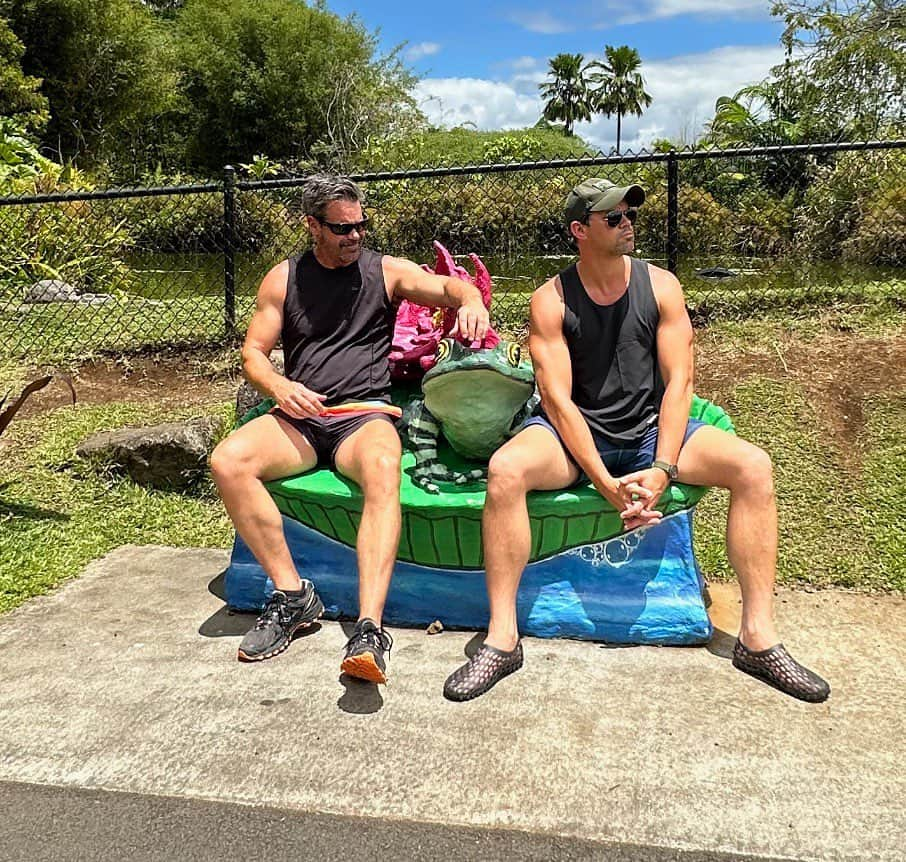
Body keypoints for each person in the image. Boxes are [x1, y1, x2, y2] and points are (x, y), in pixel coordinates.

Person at [442, 177, 830, 704]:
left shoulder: (663, 286)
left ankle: (758, 639)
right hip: (574, 436)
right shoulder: (550, 301)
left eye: (629, 214)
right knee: (506, 471)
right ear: (580, 230)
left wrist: (664, 467)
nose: (628, 224)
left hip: (651, 431)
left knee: (753, 466)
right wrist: (603, 482)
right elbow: (557, 402)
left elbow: (680, 384)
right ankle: (503, 638)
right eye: (614, 218)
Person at [210, 174, 489, 684]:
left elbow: (447, 286)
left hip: (363, 415)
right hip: (301, 416)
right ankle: (293, 595)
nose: (355, 236)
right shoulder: (283, 278)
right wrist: (278, 387)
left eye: (361, 225)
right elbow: (253, 353)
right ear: (312, 225)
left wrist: (468, 299)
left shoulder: (383, 270)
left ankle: (369, 629)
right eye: (342, 229)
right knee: (227, 461)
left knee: (384, 467)